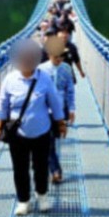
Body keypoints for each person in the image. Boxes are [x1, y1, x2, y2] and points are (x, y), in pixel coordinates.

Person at [0, 39, 67, 216]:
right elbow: (2, 105)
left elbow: (55, 103)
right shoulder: (10, 80)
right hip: (18, 134)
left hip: (42, 132)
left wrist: (61, 123)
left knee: (41, 166)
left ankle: (42, 197)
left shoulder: (44, 79)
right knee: (20, 168)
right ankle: (23, 201)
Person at [38, 48, 75, 183]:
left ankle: (50, 168)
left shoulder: (66, 69)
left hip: (60, 111)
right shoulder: (41, 69)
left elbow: (70, 90)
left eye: (62, 57)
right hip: (44, 110)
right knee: (49, 143)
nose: (59, 59)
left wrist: (71, 109)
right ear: (49, 54)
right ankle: (56, 171)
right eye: (56, 57)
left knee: (51, 141)